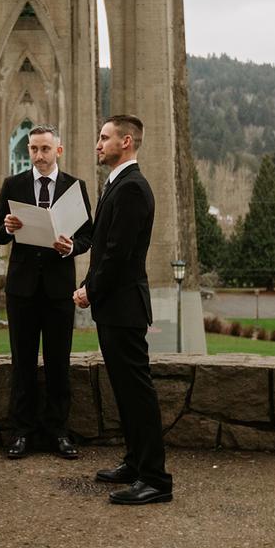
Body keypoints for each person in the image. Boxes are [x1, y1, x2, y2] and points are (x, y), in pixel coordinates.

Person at [73, 114, 172, 506]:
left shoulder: (132, 188)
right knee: (126, 392)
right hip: (114, 306)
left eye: (104, 137)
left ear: (126, 142)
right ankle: (134, 463)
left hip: (124, 306)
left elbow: (118, 254)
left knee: (137, 393)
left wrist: (89, 290)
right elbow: (103, 247)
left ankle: (156, 480)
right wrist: (90, 284)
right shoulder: (117, 184)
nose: (98, 144)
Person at [0, 124, 93, 460]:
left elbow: (88, 235)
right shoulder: (13, 185)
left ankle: (58, 432)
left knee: (58, 362)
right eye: (33, 149)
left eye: (45, 149)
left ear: (58, 150)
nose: (38, 155)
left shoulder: (75, 187)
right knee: (22, 362)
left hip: (59, 289)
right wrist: (6, 229)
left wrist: (71, 247)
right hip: (21, 290)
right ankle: (21, 433)